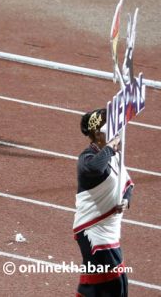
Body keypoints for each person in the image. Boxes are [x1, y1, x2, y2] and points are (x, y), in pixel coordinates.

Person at [73, 108, 133, 297]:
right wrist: (110, 147)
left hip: (108, 229)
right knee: (112, 283)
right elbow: (95, 169)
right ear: (98, 134)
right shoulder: (87, 158)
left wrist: (125, 201)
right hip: (92, 231)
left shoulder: (114, 156)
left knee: (100, 284)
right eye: (111, 130)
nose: (116, 133)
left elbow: (128, 184)